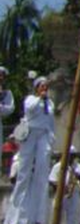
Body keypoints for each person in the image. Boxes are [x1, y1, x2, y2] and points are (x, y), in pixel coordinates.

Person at [5, 76, 55, 224]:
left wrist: (51, 137)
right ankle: (16, 210)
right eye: (42, 86)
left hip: (43, 134)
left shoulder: (50, 103)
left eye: (46, 86)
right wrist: (40, 98)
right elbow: (30, 110)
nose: (45, 88)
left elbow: (50, 121)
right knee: (24, 171)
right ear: (37, 88)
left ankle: (39, 215)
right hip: (30, 133)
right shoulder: (31, 99)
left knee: (42, 172)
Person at [48, 146, 80, 224]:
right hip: (60, 195)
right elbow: (52, 180)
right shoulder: (58, 166)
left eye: (73, 155)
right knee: (57, 217)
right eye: (69, 155)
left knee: (72, 219)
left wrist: (79, 176)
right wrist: (62, 187)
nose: (71, 157)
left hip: (74, 195)